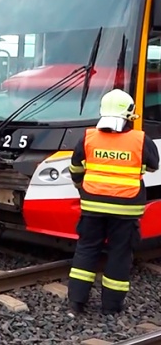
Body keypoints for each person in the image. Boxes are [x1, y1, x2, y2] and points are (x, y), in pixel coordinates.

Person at [67, 89, 159, 315]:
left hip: (92, 207)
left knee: (86, 250)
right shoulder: (140, 140)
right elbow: (152, 165)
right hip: (126, 211)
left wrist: (82, 186)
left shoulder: (88, 137)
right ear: (129, 114)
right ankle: (111, 307)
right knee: (119, 254)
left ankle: (76, 304)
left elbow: (75, 168)